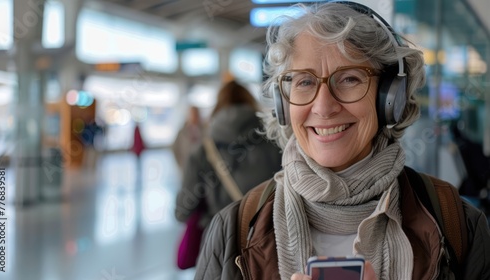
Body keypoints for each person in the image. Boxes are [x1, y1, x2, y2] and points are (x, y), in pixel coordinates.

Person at [194, 2, 490, 280]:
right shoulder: (232, 231)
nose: (324, 107)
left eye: (349, 78)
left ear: (389, 98)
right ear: (284, 105)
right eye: (304, 81)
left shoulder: (458, 225)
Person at [174, 80, 283, 242]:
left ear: (218, 106)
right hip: (268, 243)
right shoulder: (277, 143)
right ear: (251, 103)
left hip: (220, 245)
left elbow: (182, 212)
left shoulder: (202, 152)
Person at [172, 106, 204, 172]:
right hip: (186, 165)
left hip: (201, 166)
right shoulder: (182, 132)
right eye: (192, 114)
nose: (194, 117)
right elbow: (175, 148)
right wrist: (181, 164)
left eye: (196, 114)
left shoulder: (204, 130)